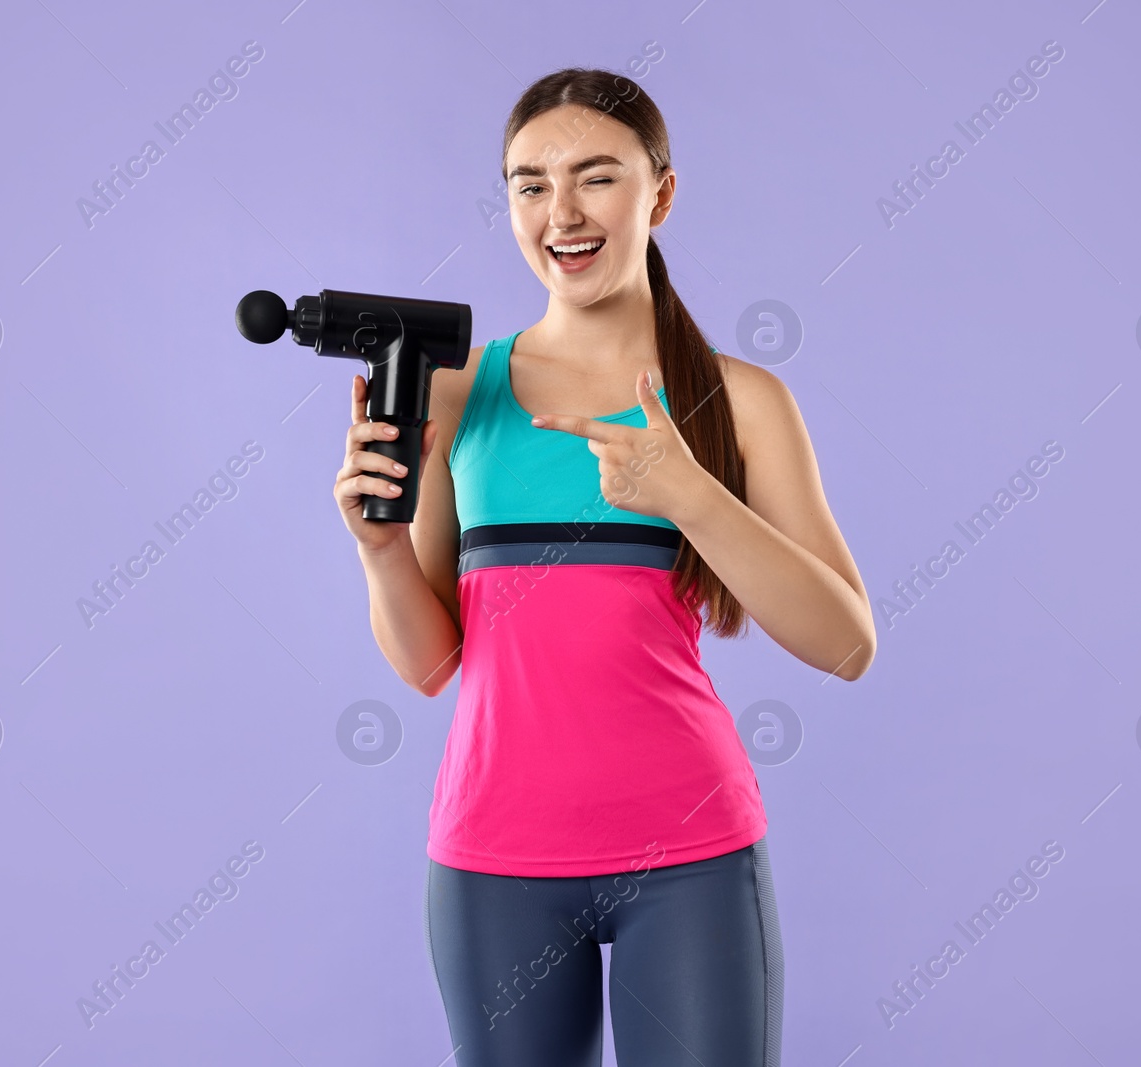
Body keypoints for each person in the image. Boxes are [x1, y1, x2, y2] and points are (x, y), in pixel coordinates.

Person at [335, 67, 876, 1067]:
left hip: (693, 856)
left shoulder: (740, 400)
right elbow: (427, 663)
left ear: (660, 194)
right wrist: (378, 551)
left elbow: (846, 643)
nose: (562, 213)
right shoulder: (458, 393)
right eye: (530, 185)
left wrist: (688, 493)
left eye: (596, 178)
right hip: (493, 860)